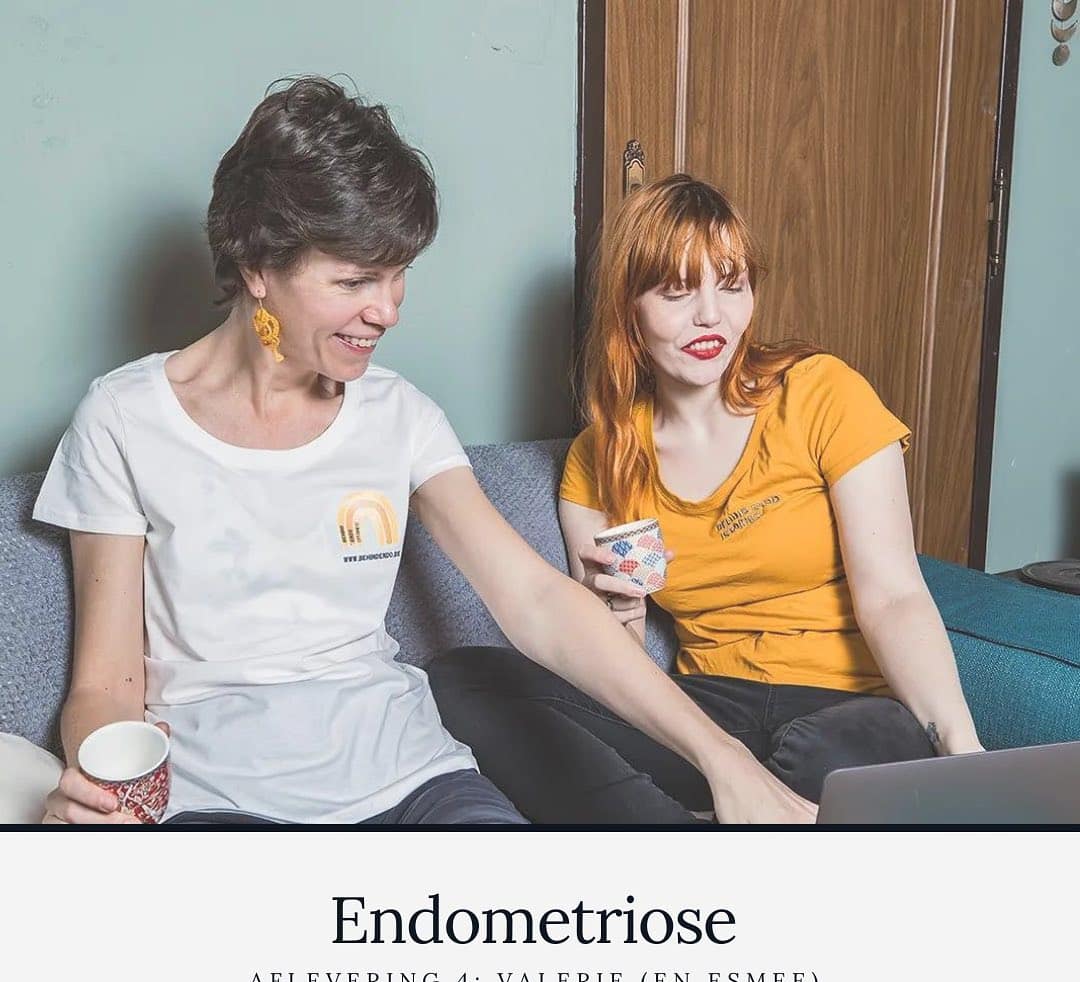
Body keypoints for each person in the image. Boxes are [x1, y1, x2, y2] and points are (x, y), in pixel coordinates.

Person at [33, 81, 809, 826]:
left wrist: (723, 758)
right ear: (258, 269)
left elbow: (537, 600)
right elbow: (105, 684)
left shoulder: (398, 415)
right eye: (355, 281)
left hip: (415, 785)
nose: (388, 310)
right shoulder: (126, 420)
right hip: (215, 801)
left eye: (399, 274)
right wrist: (107, 788)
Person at [429, 174, 985, 824]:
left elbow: (894, 596)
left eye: (731, 284)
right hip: (710, 714)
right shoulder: (600, 460)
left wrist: (962, 752)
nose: (710, 316)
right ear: (630, 310)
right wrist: (622, 613)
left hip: (850, 710)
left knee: (830, 756)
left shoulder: (822, 394)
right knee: (461, 679)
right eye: (676, 291)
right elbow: (615, 666)